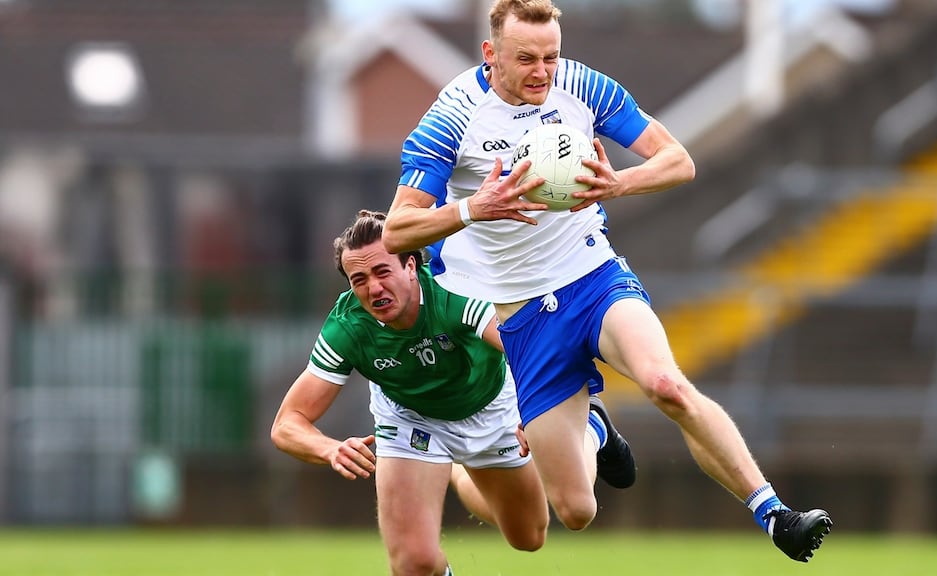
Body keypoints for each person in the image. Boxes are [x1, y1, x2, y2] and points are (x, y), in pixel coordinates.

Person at [382, 0, 832, 563]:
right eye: (526, 59)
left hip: (593, 278)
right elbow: (398, 230)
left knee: (666, 384)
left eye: (551, 56)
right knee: (574, 510)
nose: (543, 72)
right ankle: (596, 429)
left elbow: (678, 160)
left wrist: (620, 184)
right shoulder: (452, 115)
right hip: (520, 314)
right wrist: (476, 207)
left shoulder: (581, 85)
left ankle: (774, 515)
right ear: (490, 54)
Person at [271, 210, 555, 576]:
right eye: (359, 280)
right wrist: (330, 448)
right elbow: (286, 423)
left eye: (382, 272)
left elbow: (526, 350)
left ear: (410, 265)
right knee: (413, 563)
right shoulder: (348, 327)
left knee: (529, 535)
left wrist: (531, 410)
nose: (373, 288)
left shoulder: (454, 290)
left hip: (490, 406)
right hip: (409, 419)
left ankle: (459, 472)